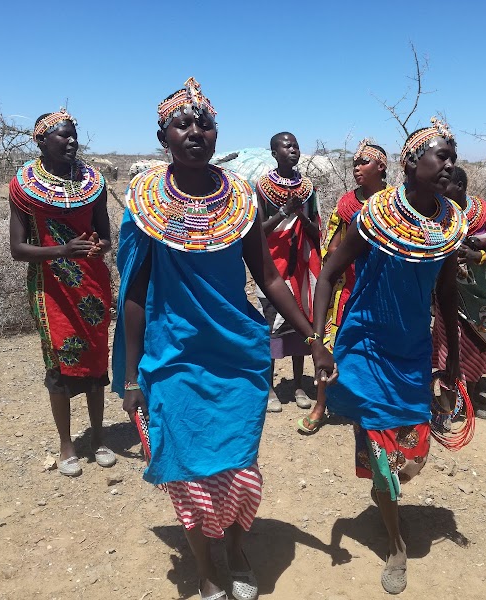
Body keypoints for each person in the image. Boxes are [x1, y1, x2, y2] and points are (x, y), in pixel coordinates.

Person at [113, 78, 334, 600]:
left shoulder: (240, 197)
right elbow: (135, 295)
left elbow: (270, 278)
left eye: (205, 123)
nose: (195, 131)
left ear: (217, 134)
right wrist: (129, 376)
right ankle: (206, 567)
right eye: (182, 124)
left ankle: (236, 548)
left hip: (238, 355)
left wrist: (313, 337)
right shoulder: (144, 202)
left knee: (239, 466)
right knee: (187, 471)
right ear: (163, 135)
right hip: (174, 357)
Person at [312, 118, 466, 595]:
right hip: (368, 347)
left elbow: (446, 293)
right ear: (411, 163)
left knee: (413, 454)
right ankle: (396, 544)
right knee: (382, 454)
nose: (448, 165)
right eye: (439, 156)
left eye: (451, 158)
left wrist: (454, 359)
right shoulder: (375, 216)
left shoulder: (449, 223)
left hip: (413, 351)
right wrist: (319, 341)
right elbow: (329, 272)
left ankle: (389, 496)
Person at [8, 109, 115, 477]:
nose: (72, 141)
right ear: (40, 141)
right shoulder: (24, 186)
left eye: (74, 135)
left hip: (91, 284)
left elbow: (105, 237)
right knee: (58, 365)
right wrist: (61, 251)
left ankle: (99, 437)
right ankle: (66, 443)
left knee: (98, 361)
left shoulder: (93, 183)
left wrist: (97, 247)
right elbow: (18, 249)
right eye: (62, 136)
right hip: (50, 288)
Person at [298, 139, 391, 434]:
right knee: (329, 342)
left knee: (379, 348)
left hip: (381, 289)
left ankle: (374, 406)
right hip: (347, 286)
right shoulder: (347, 204)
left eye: (363, 162)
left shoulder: (395, 203)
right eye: (354, 163)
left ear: (381, 166)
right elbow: (335, 245)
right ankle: (321, 404)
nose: (356, 168)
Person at [432, 166, 486, 419]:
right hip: (447, 292)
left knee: (476, 344)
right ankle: (448, 402)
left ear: (460, 186)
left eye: (445, 185)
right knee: (449, 347)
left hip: (479, 293)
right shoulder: (438, 212)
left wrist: (477, 255)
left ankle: (470, 398)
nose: (439, 190)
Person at [256, 132, 322, 413]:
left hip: (300, 268)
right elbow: (259, 231)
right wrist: (284, 211)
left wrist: (301, 214)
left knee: (301, 325)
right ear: (274, 152)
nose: (293, 149)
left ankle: (298, 385)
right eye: (286, 146)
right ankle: (269, 387)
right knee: (271, 326)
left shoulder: (307, 189)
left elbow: (315, 230)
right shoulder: (262, 187)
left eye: (295, 145)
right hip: (273, 266)